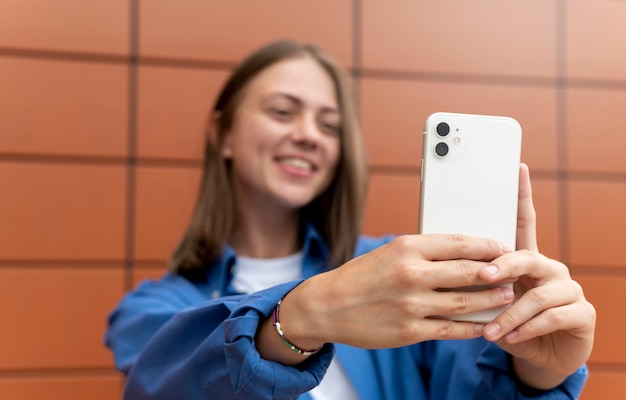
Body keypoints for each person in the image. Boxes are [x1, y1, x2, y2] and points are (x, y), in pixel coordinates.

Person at [105, 40, 595, 399]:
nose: (308, 135)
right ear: (224, 133)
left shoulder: (401, 276)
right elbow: (165, 386)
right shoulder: (158, 311)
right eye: (282, 111)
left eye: (329, 124)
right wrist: (299, 317)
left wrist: (538, 374)